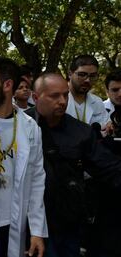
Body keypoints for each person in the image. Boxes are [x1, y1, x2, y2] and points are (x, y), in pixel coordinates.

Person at [26, 73, 121, 257]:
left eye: (65, 95)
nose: (62, 101)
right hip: (31, 222)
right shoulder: (19, 127)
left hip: (68, 221)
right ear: (36, 97)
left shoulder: (81, 133)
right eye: (54, 96)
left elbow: (107, 167)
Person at [0, 57, 47, 257]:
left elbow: (37, 180)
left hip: (13, 223)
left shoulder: (30, 127)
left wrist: (37, 231)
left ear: (7, 84)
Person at [65, 55, 109, 128]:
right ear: (70, 74)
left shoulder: (97, 102)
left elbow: (106, 125)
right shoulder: (57, 99)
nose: (87, 80)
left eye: (92, 76)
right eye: (82, 75)